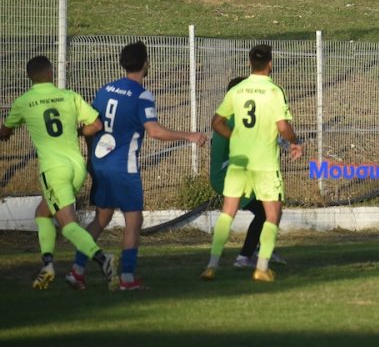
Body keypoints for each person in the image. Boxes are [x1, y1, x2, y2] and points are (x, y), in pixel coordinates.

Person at [67, 41, 207, 290]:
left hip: (100, 164)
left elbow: (91, 127)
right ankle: (128, 278)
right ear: (145, 64)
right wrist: (190, 136)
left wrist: (91, 159)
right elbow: (154, 131)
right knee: (134, 220)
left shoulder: (105, 89)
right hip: (124, 168)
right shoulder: (142, 95)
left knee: (102, 217)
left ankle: (77, 270)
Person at [0, 56, 118, 291]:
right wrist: (76, 131)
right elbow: (96, 126)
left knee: (67, 225)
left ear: (29, 78)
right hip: (76, 166)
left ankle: (103, 259)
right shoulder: (70, 96)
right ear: (51, 74)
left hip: (53, 170)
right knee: (43, 213)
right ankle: (48, 265)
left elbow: (5, 132)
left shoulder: (24, 101)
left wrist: (6, 133)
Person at [202, 44, 303, 282]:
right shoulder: (273, 91)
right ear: (270, 63)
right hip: (265, 163)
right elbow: (283, 127)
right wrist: (295, 142)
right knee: (271, 215)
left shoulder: (237, 90)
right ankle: (262, 267)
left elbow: (216, 122)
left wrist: (234, 136)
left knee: (228, 213)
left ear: (249, 63)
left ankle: (211, 265)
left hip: (238, 162)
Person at [210, 77, 281, 269]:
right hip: (229, 175)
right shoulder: (235, 119)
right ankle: (245, 256)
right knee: (266, 213)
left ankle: (261, 250)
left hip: (227, 173)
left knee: (265, 211)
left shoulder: (226, 117)